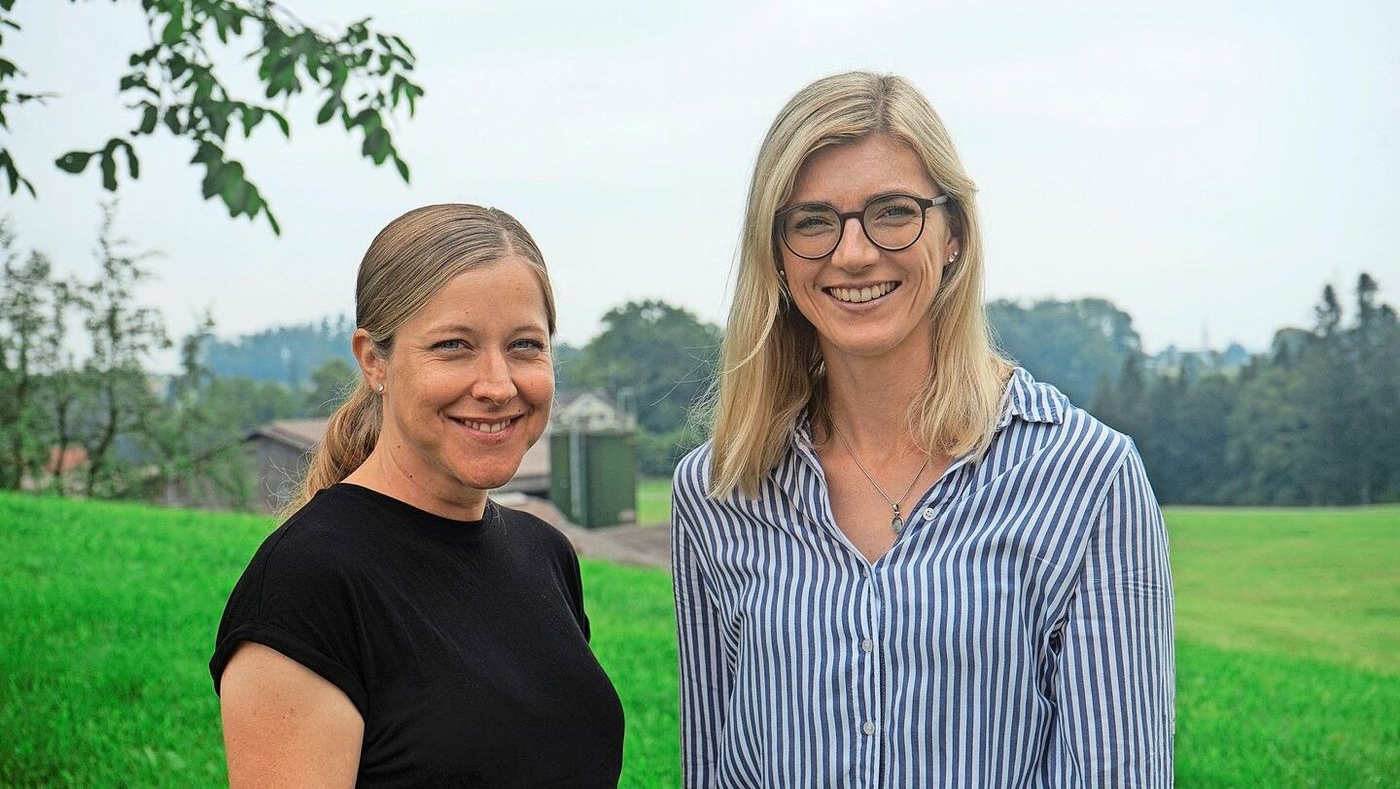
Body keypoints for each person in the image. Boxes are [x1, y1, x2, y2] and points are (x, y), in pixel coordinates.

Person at [672, 72, 1174, 787]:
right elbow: (713, 770)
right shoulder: (717, 489)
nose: (852, 253)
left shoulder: (1090, 477)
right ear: (777, 255)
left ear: (954, 236)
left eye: (893, 211)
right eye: (812, 220)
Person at [211, 204, 624, 788]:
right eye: (454, 345)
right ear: (374, 360)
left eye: (525, 346)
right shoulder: (308, 584)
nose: (497, 385)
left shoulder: (544, 554)